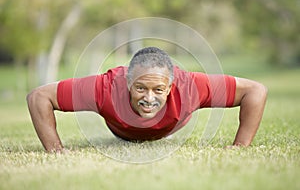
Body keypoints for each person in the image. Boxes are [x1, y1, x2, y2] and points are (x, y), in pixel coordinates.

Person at [27, 47, 268, 153]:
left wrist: (240, 146)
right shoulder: (104, 87)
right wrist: (55, 150)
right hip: (122, 131)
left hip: (168, 128)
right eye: (140, 88)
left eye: (158, 90)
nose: (149, 98)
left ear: (171, 87)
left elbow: (256, 90)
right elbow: (39, 96)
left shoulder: (191, 87)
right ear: (128, 83)